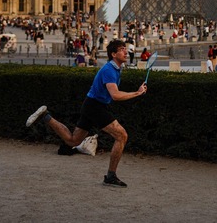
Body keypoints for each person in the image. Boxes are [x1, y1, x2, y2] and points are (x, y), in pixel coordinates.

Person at [26, 39, 147, 188]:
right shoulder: (109, 70)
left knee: (73, 141)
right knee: (122, 135)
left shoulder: (115, 68)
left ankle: (46, 116)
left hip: (92, 105)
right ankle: (110, 176)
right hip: (95, 107)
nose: (125, 51)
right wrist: (137, 93)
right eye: (122, 49)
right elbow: (115, 95)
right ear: (113, 54)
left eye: (125, 48)